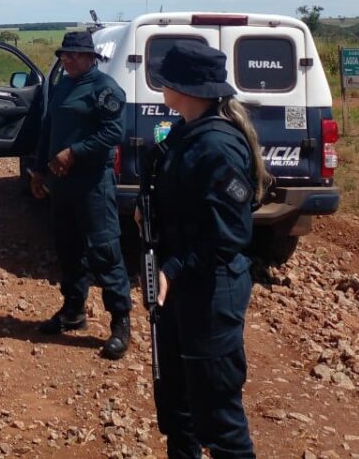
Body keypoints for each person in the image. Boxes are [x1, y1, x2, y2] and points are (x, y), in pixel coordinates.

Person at [142, 41, 271, 459]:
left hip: (210, 292)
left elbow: (230, 231)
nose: (160, 84)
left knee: (218, 420)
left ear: (187, 88)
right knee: (178, 406)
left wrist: (175, 266)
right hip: (182, 291)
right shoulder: (184, 132)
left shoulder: (216, 146)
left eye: (166, 79)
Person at [29, 30, 133, 360]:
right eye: (64, 54)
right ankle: (73, 311)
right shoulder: (63, 85)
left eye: (74, 54)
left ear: (91, 58)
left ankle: (120, 323)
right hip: (62, 186)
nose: (67, 59)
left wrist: (74, 153)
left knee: (104, 251)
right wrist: (38, 171)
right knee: (68, 249)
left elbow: (113, 132)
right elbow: (48, 128)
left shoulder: (106, 89)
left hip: (92, 185)